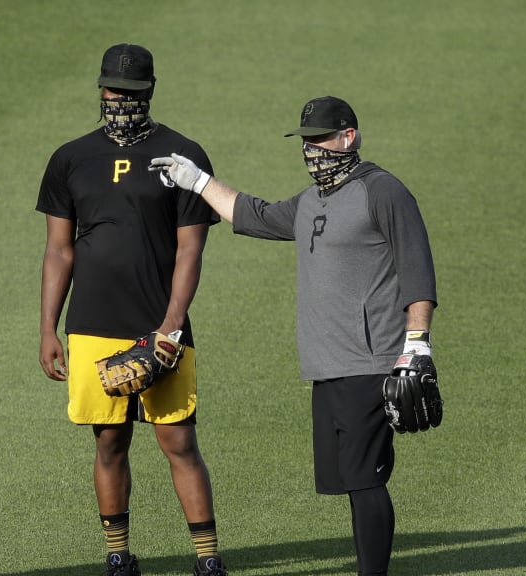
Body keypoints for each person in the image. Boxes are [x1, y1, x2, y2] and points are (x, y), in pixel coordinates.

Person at [150, 96, 437, 576]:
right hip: (327, 367)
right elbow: (253, 214)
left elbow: (417, 270)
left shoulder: (383, 192)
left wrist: (416, 345)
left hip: (371, 361)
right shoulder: (311, 201)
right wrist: (198, 181)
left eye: (321, 140)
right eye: (306, 142)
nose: (312, 151)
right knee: (351, 479)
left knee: (366, 480)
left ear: (350, 137)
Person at [36, 44, 228, 576]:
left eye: (130, 93)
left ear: (150, 92)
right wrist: (48, 328)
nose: (118, 100)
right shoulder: (71, 157)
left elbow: (191, 249)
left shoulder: (182, 156)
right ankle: (118, 553)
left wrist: (171, 325)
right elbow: (59, 249)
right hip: (93, 324)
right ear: (100, 89)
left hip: (160, 324)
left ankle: (208, 559)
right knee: (109, 440)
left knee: (179, 439)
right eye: (111, 91)